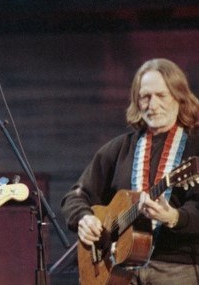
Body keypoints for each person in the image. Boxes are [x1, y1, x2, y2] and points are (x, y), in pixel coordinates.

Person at [61, 58, 199, 284]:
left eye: (161, 95)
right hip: (118, 268)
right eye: (145, 96)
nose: (152, 104)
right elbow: (75, 197)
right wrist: (84, 219)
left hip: (177, 268)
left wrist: (174, 217)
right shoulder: (119, 148)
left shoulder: (195, 146)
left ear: (179, 97)